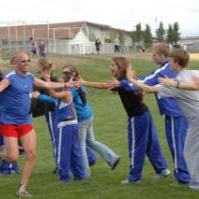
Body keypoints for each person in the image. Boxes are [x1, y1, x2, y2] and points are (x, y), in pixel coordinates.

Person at [0, 52, 76, 197]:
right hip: (9, 122)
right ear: (16, 64)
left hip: (25, 121)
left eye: (28, 61)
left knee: (31, 153)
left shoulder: (30, 77)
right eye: (23, 61)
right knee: (13, 158)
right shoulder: (9, 78)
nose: (27, 63)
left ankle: (22, 188)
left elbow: (47, 84)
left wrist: (66, 84)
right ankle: (5, 152)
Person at [108, 43, 190, 184]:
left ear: (163, 56)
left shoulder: (165, 69)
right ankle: (167, 171)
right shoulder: (163, 68)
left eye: (154, 54)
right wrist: (131, 80)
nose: (152, 56)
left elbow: (147, 83)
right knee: (170, 144)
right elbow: (147, 78)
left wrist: (128, 81)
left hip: (175, 113)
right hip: (175, 112)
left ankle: (183, 178)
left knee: (176, 146)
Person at [80, 57, 170, 184]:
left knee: (135, 147)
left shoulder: (123, 80)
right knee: (151, 143)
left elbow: (103, 85)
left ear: (120, 67)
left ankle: (134, 178)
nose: (110, 67)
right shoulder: (124, 80)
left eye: (113, 65)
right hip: (144, 114)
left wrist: (84, 82)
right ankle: (162, 169)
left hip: (138, 117)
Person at [126, 49, 199, 190]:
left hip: (196, 120)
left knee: (189, 152)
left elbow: (149, 88)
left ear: (176, 62)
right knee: (192, 150)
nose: (169, 62)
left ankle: (196, 184)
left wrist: (130, 79)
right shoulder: (194, 73)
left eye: (170, 60)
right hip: (194, 120)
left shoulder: (173, 84)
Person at [32, 58, 97, 174]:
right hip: (64, 114)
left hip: (55, 113)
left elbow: (52, 98)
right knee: (72, 139)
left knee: (58, 140)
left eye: (38, 67)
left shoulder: (47, 81)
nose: (36, 69)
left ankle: (61, 166)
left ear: (42, 68)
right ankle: (90, 157)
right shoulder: (56, 80)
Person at [62, 65, 120, 178]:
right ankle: (112, 158)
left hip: (82, 119)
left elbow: (65, 99)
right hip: (88, 116)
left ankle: (84, 173)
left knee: (81, 146)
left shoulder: (73, 87)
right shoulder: (79, 83)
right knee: (91, 141)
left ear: (73, 74)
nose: (64, 75)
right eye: (63, 72)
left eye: (66, 73)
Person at [32, 72, 87, 183]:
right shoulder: (65, 94)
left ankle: (65, 177)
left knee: (63, 151)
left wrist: (47, 80)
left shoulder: (66, 92)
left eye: (62, 79)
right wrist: (39, 96)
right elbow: (52, 100)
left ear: (67, 81)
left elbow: (52, 94)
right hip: (72, 125)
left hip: (65, 126)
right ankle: (80, 175)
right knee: (74, 151)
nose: (59, 81)